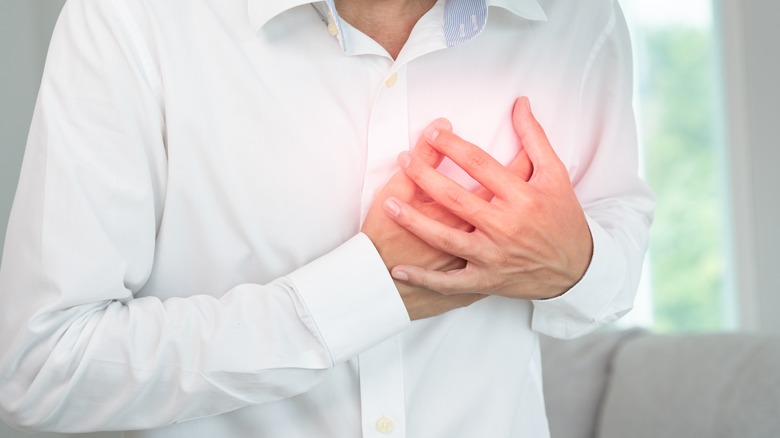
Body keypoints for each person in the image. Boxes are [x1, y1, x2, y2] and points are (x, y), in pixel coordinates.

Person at [0, 0, 654, 436]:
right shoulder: (133, 20)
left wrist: (576, 264)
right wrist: (362, 294)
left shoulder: (578, 17)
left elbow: (613, 255)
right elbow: (40, 366)